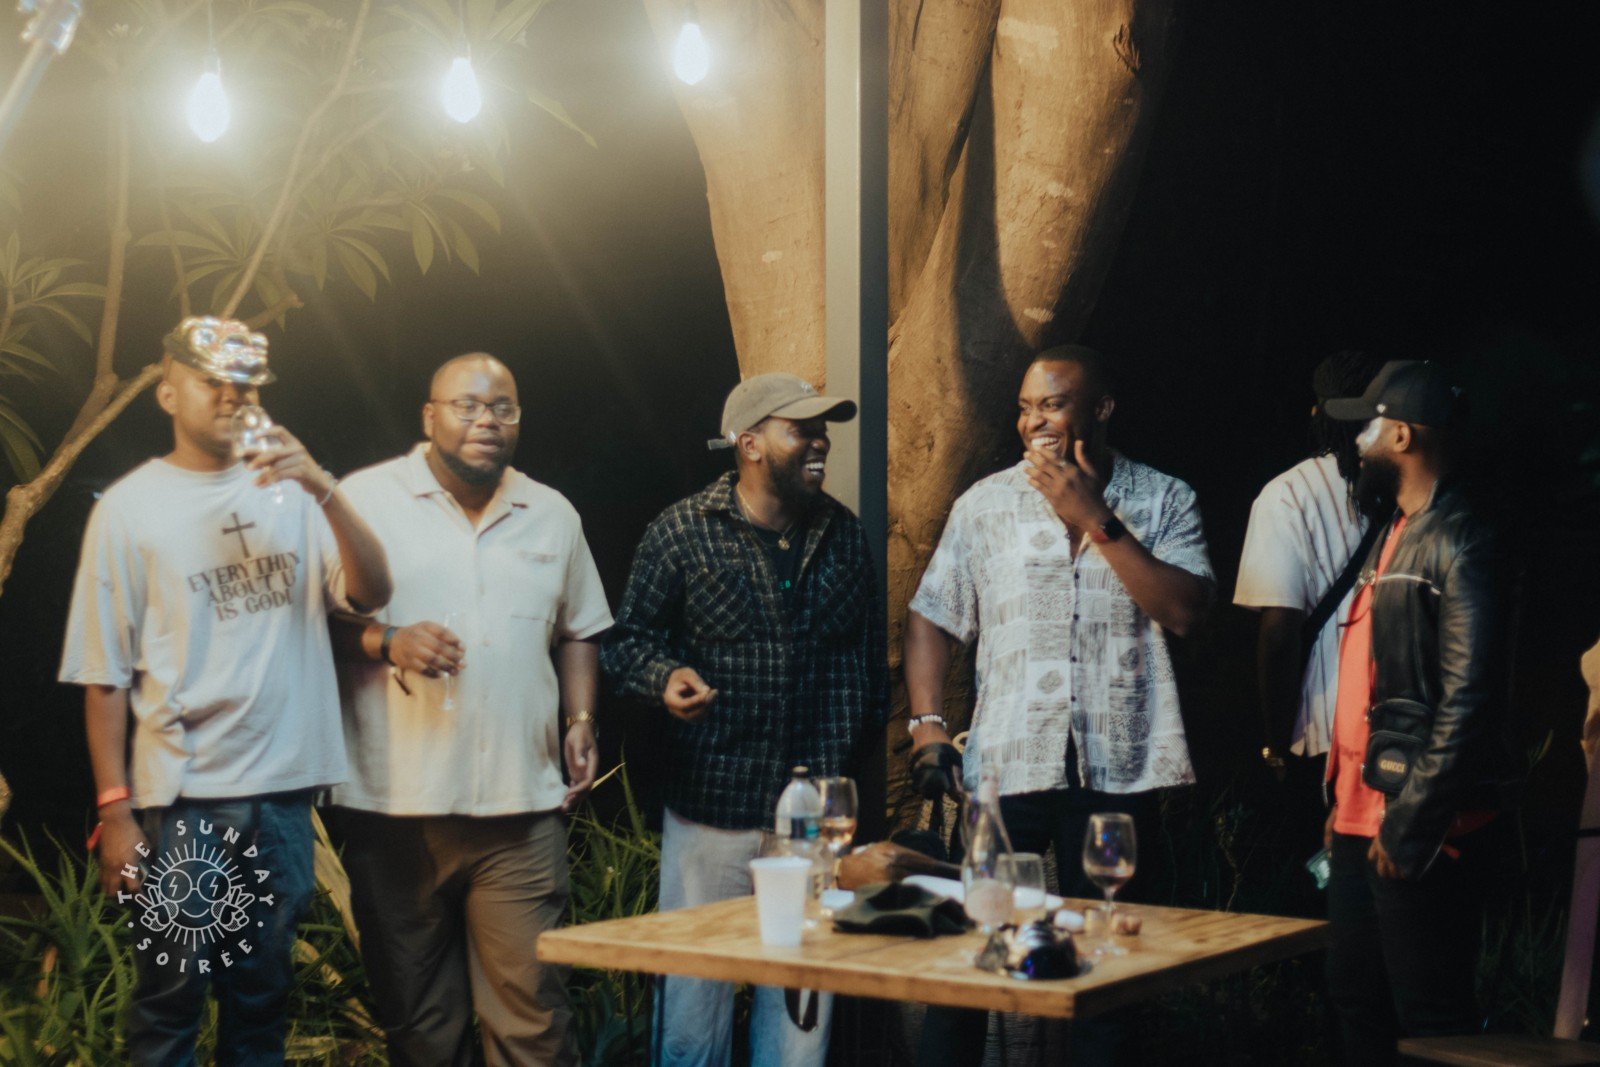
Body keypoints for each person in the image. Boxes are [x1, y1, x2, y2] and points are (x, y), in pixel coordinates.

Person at [59, 316, 392, 1066]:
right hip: (184, 800)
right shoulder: (129, 507)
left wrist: (323, 487)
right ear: (167, 390)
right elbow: (103, 673)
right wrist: (115, 810)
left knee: (262, 1000)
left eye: (244, 385)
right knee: (170, 1001)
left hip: (283, 796)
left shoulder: (294, 494)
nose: (230, 396)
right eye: (211, 381)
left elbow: (373, 592)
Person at [903, 344, 1213, 1066]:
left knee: (1107, 977)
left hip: (1118, 772)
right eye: (1024, 407)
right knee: (971, 961)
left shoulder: (1165, 498)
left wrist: (1095, 517)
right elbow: (930, 615)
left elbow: (1187, 611)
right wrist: (927, 728)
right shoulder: (984, 504)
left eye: (1052, 404)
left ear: (1100, 409)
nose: (1033, 421)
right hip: (1004, 765)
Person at [327, 353, 612, 1066]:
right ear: (430, 416)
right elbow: (313, 624)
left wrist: (580, 720)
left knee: (535, 1022)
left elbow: (580, 628)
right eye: (467, 405)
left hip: (520, 812)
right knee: (423, 1026)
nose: (487, 420)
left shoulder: (551, 513)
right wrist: (389, 640)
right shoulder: (365, 499)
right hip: (395, 809)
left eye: (502, 408)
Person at [601, 372, 888, 1067]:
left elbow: (865, 669)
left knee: (799, 1025)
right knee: (691, 1016)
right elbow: (625, 643)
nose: (820, 442)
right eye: (801, 430)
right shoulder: (682, 531)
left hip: (810, 821)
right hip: (710, 808)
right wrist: (664, 678)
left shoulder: (844, 535)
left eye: (822, 430)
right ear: (750, 443)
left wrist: (845, 772)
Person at [1319, 360, 1520, 1065]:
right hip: (1359, 820)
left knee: (1435, 1027)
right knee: (1357, 1006)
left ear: (1401, 435)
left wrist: (1412, 824)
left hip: (1417, 827)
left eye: (1367, 430)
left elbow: (1468, 701)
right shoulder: (1393, 531)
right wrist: (1341, 797)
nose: (1357, 445)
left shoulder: (1462, 539)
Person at [1236, 351, 1386, 781]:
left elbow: (1278, 631)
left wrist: (1275, 743)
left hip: (1328, 728)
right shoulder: (1407, 485)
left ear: (1317, 413)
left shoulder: (1287, 494)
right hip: (1406, 725)